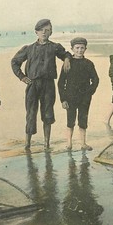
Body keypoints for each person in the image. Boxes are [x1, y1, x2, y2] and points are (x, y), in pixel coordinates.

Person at [11, 19, 72, 150]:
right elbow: (15, 62)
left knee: (48, 113)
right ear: (36, 32)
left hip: (48, 84)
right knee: (31, 113)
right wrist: (22, 77)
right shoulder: (29, 49)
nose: (44, 32)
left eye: (47, 30)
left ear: (51, 32)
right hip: (32, 85)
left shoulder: (54, 47)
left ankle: (46, 144)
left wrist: (67, 59)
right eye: (41, 30)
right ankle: (27, 144)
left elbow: (66, 53)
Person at [58, 37, 99, 150]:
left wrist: (89, 92)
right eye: (77, 48)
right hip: (70, 96)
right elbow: (61, 83)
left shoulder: (89, 63)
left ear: (85, 49)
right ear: (72, 49)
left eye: (82, 48)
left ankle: (83, 143)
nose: (79, 50)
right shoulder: (67, 63)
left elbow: (95, 80)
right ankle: (69, 143)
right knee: (70, 120)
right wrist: (63, 99)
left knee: (83, 119)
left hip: (84, 97)